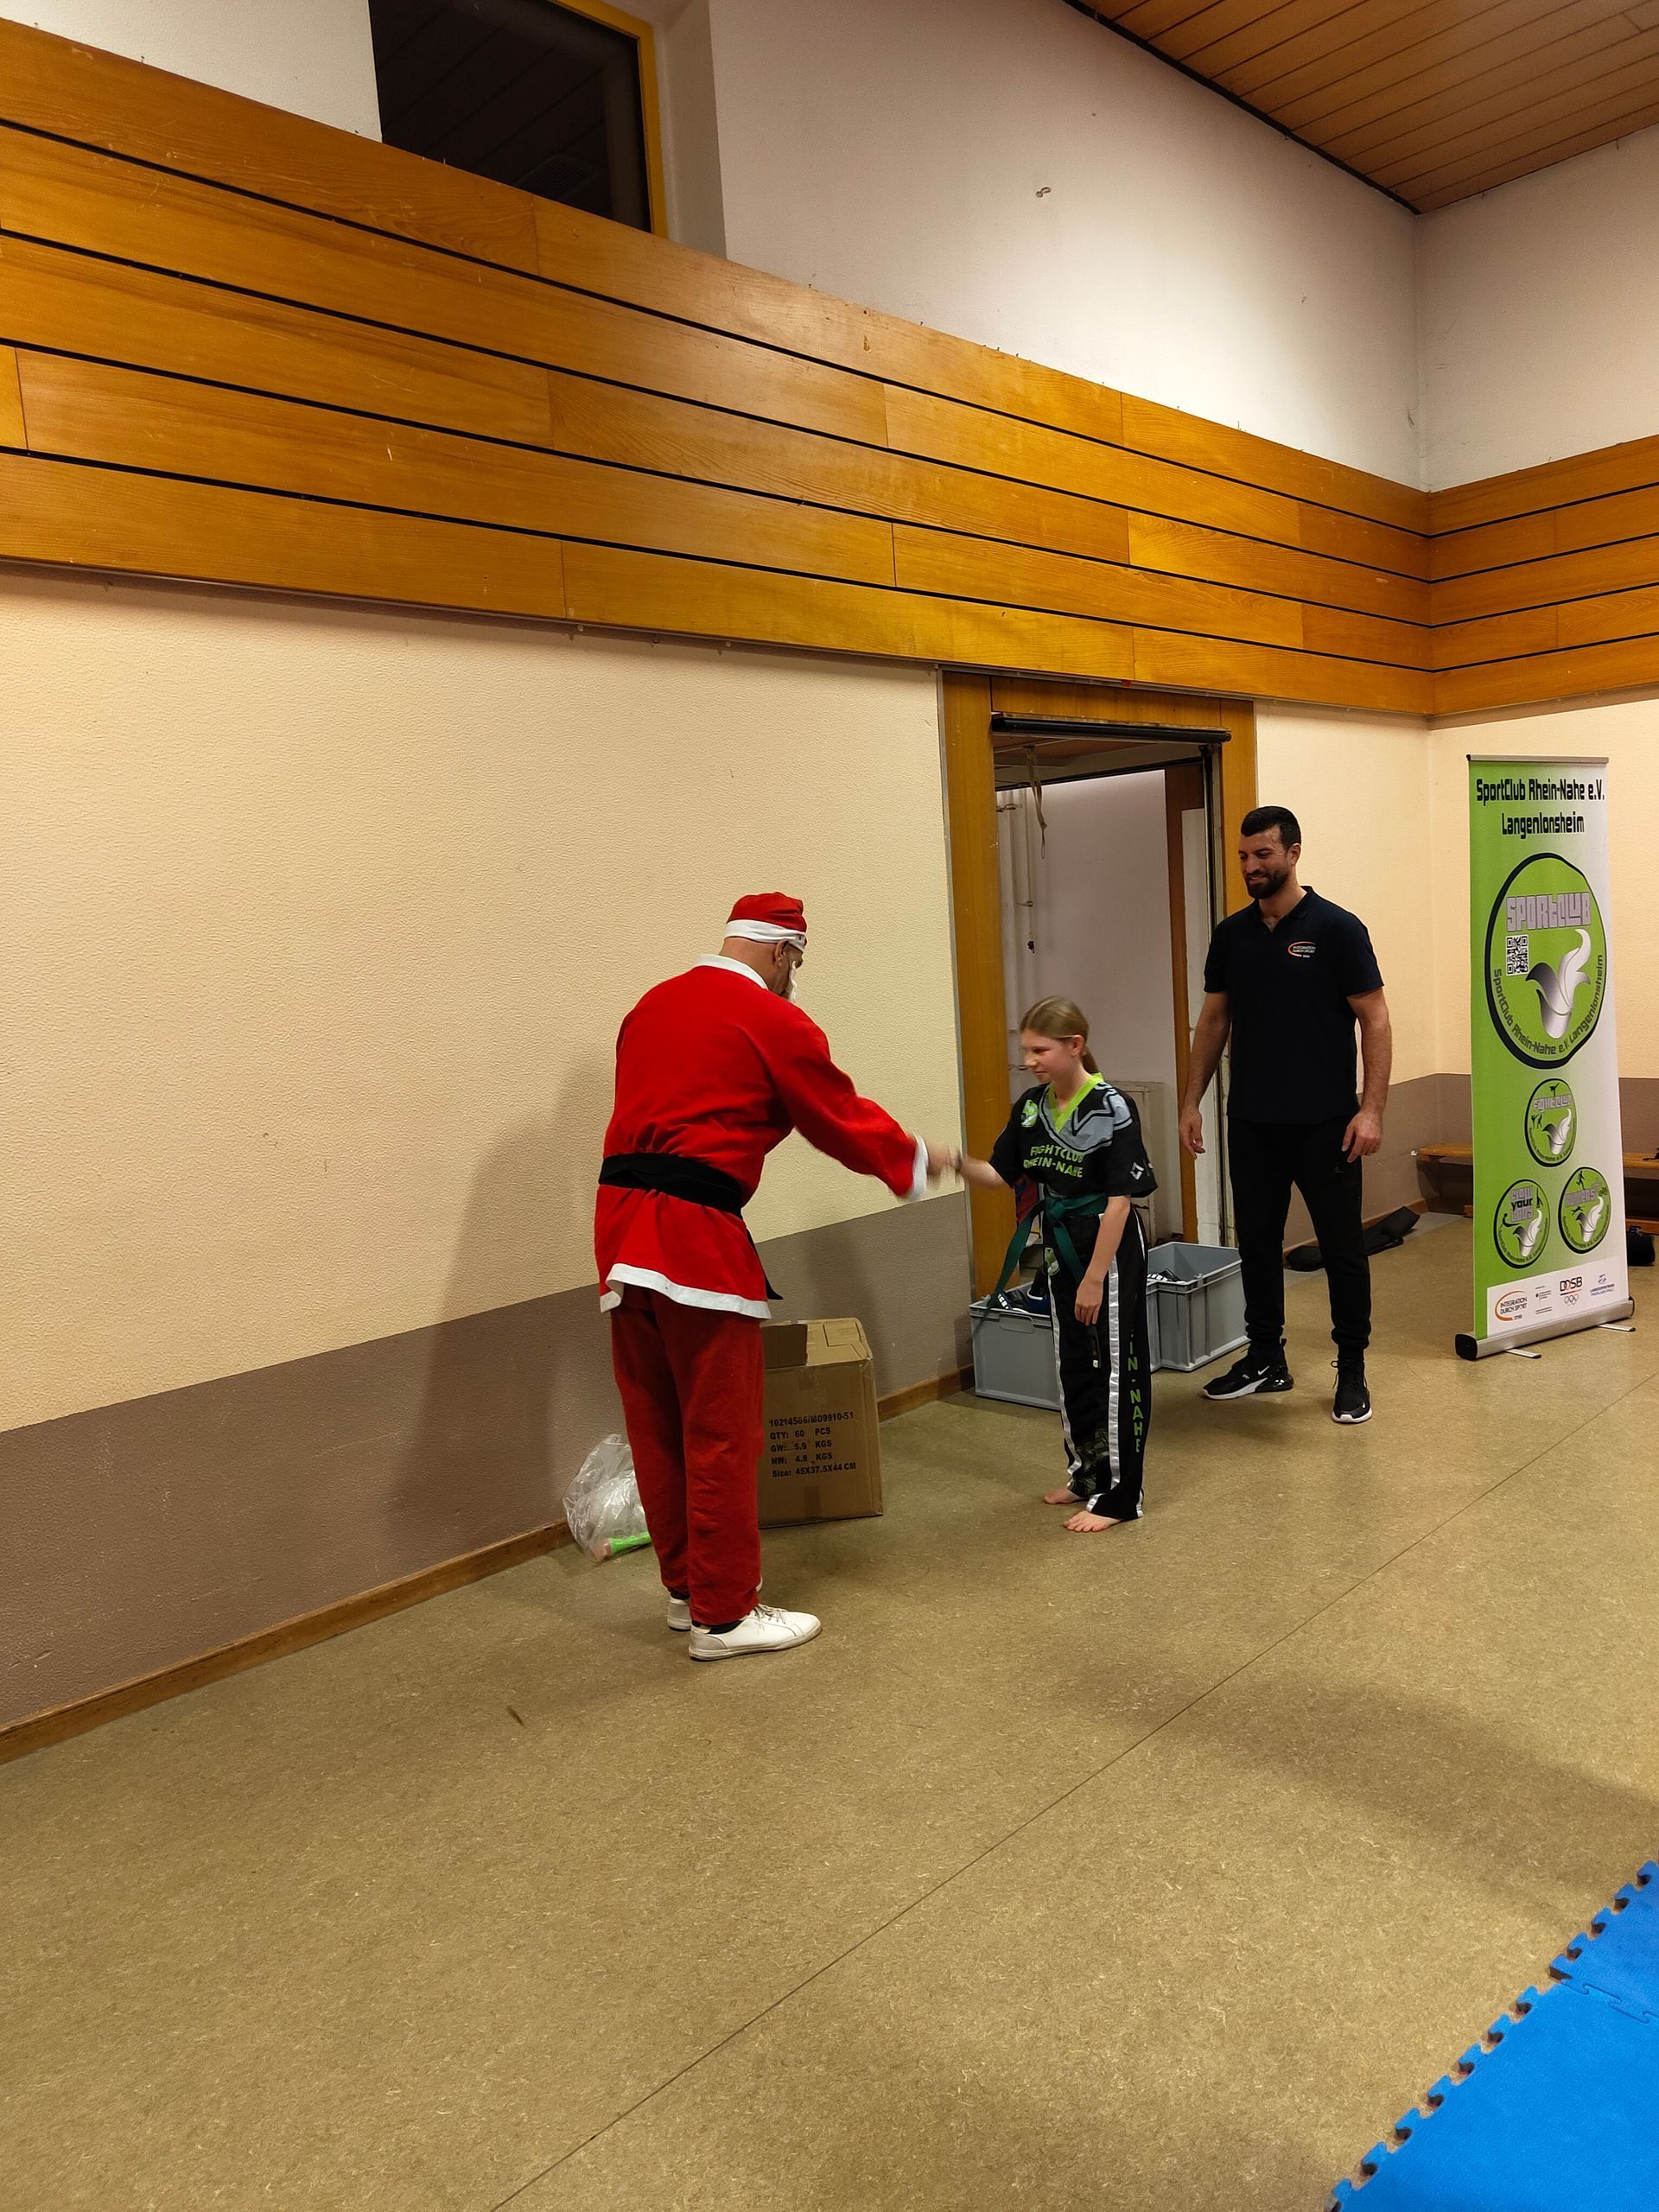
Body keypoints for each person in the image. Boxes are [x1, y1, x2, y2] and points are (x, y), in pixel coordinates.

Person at [595, 893, 952, 1661]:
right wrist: (919, 1159)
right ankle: (726, 1618)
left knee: (657, 1421)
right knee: (721, 1431)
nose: (794, 978)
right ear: (784, 951)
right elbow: (834, 1112)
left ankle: (689, 1593)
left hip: (619, 1230)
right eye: (797, 963)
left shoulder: (650, 1006)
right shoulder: (771, 1019)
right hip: (693, 1236)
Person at [1179, 805, 1392, 1426]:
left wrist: (1371, 1110)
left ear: (1293, 854)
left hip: (1328, 1124)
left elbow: (1375, 1019)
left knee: (1342, 1249)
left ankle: (1351, 1367)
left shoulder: (1337, 929)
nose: (1251, 866)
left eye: (1263, 855)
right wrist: (1191, 1101)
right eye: (1244, 856)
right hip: (1252, 1122)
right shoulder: (1232, 935)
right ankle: (1266, 1358)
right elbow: (1213, 1020)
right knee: (1257, 1244)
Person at [956, 997, 1155, 1531]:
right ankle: (1088, 1474)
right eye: (1025, 1050)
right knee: (1073, 1364)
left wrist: (1094, 1279)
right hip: (1060, 1243)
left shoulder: (1113, 1108)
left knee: (1116, 1369)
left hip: (1108, 1251)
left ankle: (1121, 1496)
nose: (1029, 1061)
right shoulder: (1030, 1107)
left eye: (1040, 1050)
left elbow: (1121, 1201)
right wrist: (949, 1161)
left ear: (1075, 1046)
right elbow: (1000, 1175)